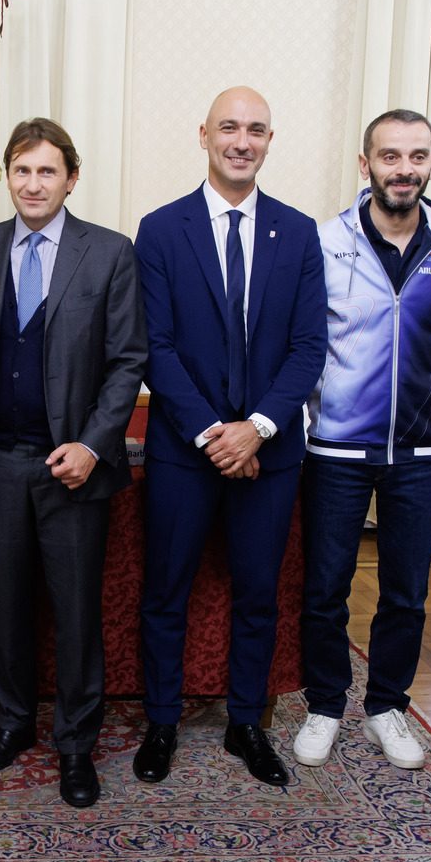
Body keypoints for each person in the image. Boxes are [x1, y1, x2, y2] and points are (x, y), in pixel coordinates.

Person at [0, 117, 146, 808]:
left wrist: (91, 445)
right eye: (21, 171)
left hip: (72, 469)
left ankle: (76, 746)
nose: (32, 183)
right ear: (6, 176)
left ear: (70, 178)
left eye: (46, 171)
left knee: (77, 614)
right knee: (8, 608)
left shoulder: (109, 253)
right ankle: (14, 723)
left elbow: (127, 362)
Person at [134, 86, 329, 787]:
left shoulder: (299, 232)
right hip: (185, 453)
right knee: (165, 594)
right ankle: (160, 722)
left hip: (270, 455)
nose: (241, 141)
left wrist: (258, 430)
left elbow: (309, 348)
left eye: (255, 130)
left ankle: (247, 723)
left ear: (270, 141)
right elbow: (155, 347)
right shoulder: (160, 230)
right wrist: (217, 436)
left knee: (258, 596)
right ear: (204, 135)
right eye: (228, 128)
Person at [292, 109, 431, 773]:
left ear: (429, 163)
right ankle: (325, 704)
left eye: (417, 156)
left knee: (407, 591)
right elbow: (306, 339)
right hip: (337, 446)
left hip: (421, 450)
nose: (405, 169)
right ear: (365, 165)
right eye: (390, 156)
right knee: (326, 588)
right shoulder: (325, 239)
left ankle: (387, 706)